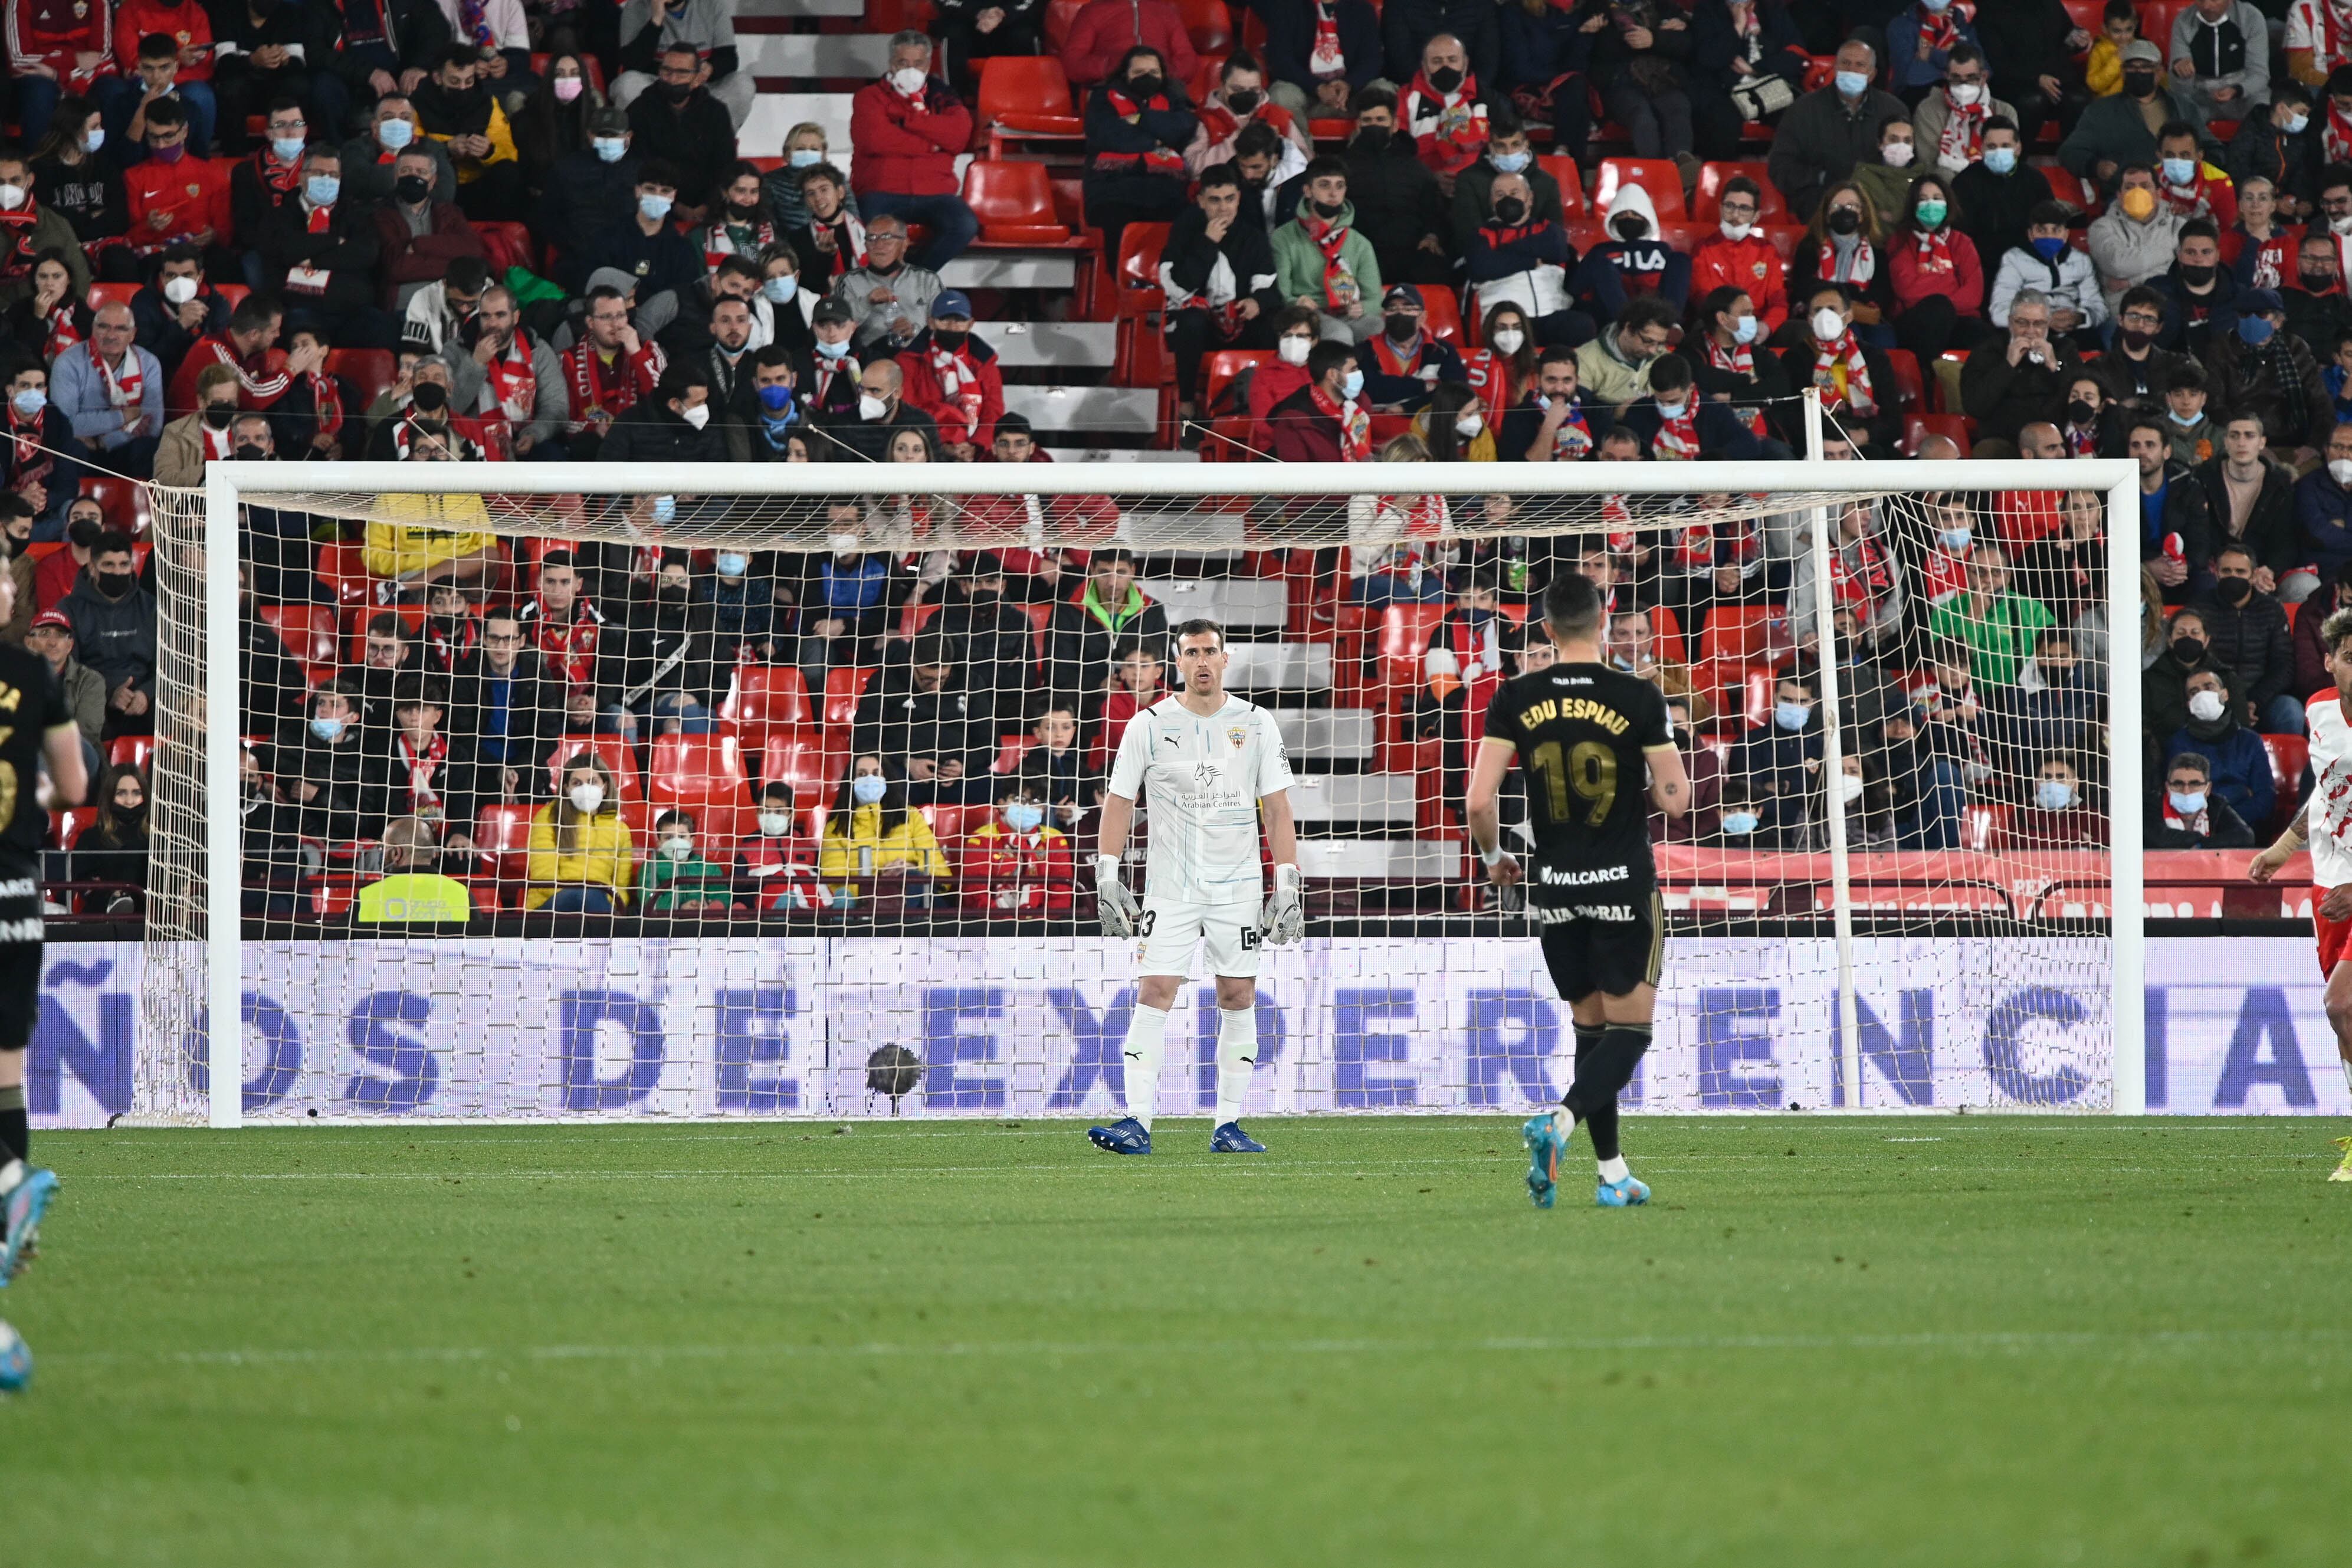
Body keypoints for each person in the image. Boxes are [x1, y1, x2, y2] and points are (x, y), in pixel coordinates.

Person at [1469, 570, 1688, 1208]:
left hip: (1556, 888)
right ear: (1603, 623)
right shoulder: (1638, 694)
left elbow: (1480, 800)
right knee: (1632, 1032)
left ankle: (1613, 1174)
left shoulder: (1515, 694)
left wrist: (1493, 858)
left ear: (1545, 629)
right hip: (1622, 882)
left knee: (1591, 1031)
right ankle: (1560, 1122)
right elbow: (1676, 801)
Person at [1084, 618, 1299, 1156]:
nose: (1201, 661)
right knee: (1154, 991)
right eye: (1190, 653)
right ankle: (1136, 1122)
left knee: (1238, 994)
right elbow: (1118, 802)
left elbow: (1276, 808)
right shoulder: (1148, 724)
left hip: (1238, 888)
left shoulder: (1255, 723)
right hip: (1171, 888)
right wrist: (1107, 871)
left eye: (1210, 651)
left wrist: (1288, 882)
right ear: (1176, 663)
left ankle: (1228, 1125)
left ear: (1226, 659)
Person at [0, 546, 87, 1286]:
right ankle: (10, 1230)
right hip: (18, 892)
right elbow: (75, 784)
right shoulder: (34, 676)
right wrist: (31, 811)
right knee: (6, 1070)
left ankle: (7, 1189)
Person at [2248, 604, 2352, 1176]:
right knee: (2347, 1018)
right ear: (2330, 661)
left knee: (2341, 1002)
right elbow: (2328, 792)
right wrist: (2285, 848)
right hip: (2329, 885)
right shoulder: (2318, 711)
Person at [1160, 164, 1281, 431]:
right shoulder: (1184, 231)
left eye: (1230, 199)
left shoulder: (1253, 238)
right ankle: (1187, 405)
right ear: (1201, 201)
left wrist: (1256, 302)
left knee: (1274, 319)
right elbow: (1178, 286)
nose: (1223, 208)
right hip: (1197, 324)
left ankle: (1268, 404)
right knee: (1191, 321)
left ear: (1239, 198)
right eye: (1215, 200)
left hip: (1238, 321)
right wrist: (1207, 243)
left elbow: (1270, 287)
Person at [848, 32, 978, 272]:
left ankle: (915, 277)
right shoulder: (869, 97)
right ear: (891, 64)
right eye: (903, 63)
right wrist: (932, 144)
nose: (911, 70)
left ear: (928, 65)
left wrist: (909, 121)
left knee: (965, 224)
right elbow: (875, 140)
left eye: (918, 64)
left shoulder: (944, 98)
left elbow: (958, 137)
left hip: (936, 193)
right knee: (865, 226)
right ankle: (877, 282)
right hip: (881, 191)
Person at [1769, 37, 1908, 221]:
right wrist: (1821, 177)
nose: (1852, 70)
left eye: (1860, 65)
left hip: (1876, 203)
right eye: (1845, 63)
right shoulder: (1803, 109)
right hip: (1820, 203)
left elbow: (1907, 167)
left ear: (1872, 74)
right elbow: (1780, 166)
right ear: (1835, 68)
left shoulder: (1893, 110)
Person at [2062, 40, 2208, 196]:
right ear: (2123, 72)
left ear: (2159, 72)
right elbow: (2070, 152)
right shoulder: (2101, 111)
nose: (2138, 72)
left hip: (2180, 196)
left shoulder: (2184, 107)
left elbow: (2211, 148)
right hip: (2125, 196)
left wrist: (2196, 173)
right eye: (2131, 67)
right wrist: (2096, 166)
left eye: (2145, 67)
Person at [1786, 283, 1901, 454]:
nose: (1825, 317)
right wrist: (1832, 439)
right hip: (1819, 442)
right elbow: (1793, 415)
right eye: (1818, 311)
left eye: (1832, 309)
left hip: (1865, 439)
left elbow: (1894, 420)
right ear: (1810, 320)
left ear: (1848, 316)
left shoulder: (1873, 357)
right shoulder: (1796, 358)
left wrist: (1864, 435)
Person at [817, 753, 950, 903]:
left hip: (919, 893)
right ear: (851, 782)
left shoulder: (911, 816)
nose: (870, 779)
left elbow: (941, 873)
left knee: (915, 882)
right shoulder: (836, 828)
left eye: (876, 773)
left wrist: (910, 867)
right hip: (869, 904)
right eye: (862, 774)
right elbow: (837, 884)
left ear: (886, 779)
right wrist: (882, 883)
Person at [623, 42, 737, 214]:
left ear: (698, 78)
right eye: (667, 71)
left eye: (682, 73)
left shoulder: (716, 113)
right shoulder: (640, 109)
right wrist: (673, 206)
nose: (673, 79)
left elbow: (725, 166)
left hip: (707, 208)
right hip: (654, 204)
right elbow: (636, 165)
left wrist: (708, 206)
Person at [1888, 174, 1984, 363]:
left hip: (1960, 319)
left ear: (1948, 202)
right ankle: (1927, 383)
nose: (1930, 204)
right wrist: (1950, 281)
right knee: (1937, 309)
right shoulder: (1900, 241)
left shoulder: (1962, 242)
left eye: (1937, 198)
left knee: (1982, 336)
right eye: (1922, 200)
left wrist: (1938, 297)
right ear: (1913, 206)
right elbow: (1908, 291)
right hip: (1914, 322)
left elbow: (1973, 296)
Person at [524, 752, 633, 913]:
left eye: (592, 782)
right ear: (567, 789)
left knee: (593, 898)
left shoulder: (621, 830)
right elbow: (543, 876)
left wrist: (607, 902)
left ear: (605, 787)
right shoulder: (549, 817)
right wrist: (581, 898)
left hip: (600, 904)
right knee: (585, 896)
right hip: (549, 905)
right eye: (577, 783)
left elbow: (621, 887)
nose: (586, 788)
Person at [1990, 202, 2108, 347]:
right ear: (2031, 234)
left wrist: (2079, 318)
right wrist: (2043, 321)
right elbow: (1999, 311)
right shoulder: (2014, 259)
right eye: (2042, 230)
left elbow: (2098, 308)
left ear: (2066, 235)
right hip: (2030, 330)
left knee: (2094, 345)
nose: (2049, 236)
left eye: (2056, 230)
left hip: (2072, 330)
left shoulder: (2081, 261)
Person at [957, 783, 1078, 915]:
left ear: (1043, 809)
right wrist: (1005, 924)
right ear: (1002, 804)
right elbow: (975, 892)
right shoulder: (982, 838)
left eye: (1035, 802)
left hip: (1042, 928)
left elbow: (1061, 894)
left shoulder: (1055, 839)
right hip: (992, 926)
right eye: (1018, 800)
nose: (1026, 807)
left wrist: (1040, 924)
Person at [1691, 176, 1788, 334]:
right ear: (1720, 209)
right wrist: (1728, 323)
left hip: (1758, 323)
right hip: (1719, 323)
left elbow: (1778, 300)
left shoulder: (1767, 251)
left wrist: (1767, 326)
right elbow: (1702, 297)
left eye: (1744, 208)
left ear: (1756, 216)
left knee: (1798, 331)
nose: (1736, 215)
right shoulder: (1703, 248)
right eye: (1730, 206)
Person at [2168, 0, 2268, 136]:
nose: (2207, 6)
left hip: (2242, 95)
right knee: (2177, 113)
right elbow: (2179, 88)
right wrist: (2180, 74)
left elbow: (2260, 74)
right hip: (2201, 96)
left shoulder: (2251, 17)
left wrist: (2237, 90)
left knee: (2265, 110)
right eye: (2201, 0)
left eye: (2215, 0)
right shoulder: (2183, 21)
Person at [1061, 0, 1198, 89]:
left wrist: (1160, 70)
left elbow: (1187, 60)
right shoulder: (1092, 11)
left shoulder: (1166, 12)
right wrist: (1113, 66)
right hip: (1110, 85)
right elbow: (1073, 62)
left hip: (1162, 85)